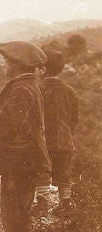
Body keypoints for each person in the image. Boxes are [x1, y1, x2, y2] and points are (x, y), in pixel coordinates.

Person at [0, 41, 51, 232]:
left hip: (20, 159)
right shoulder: (29, 85)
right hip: (23, 158)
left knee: (16, 210)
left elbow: (9, 123)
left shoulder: (22, 89)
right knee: (14, 207)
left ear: (17, 65)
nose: (3, 64)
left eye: (6, 61)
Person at [38, 46, 78, 218]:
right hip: (65, 140)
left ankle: (42, 204)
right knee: (64, 173)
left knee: (42, 170)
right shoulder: (70, 90)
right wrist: (68, 133)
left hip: (45, 139)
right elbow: (74, 118)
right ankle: (65, 204)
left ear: (43, 68)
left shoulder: (39, 89)